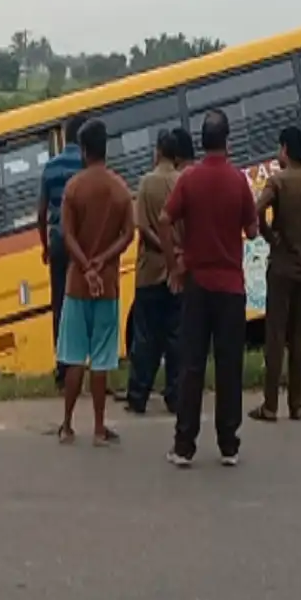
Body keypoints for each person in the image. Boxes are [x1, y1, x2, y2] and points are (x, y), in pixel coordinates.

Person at [160, 109, 258, 468]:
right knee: (229, 366)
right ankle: (228, 445)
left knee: (192, 365)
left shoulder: (189, 180)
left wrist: (174, 264)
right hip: (231, 287)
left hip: (197, 285)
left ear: (202, 142)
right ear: (228, 142)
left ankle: (184, 445)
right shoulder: (238, 181)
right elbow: (252, 231)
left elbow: (163, 219)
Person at [56, 119, 135, 446]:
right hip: (108, 286)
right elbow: (129, 234)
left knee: (74, 357)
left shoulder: (73, 188)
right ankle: (100, 429)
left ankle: (67, 425)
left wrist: (86, 265)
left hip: (77, 284)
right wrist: (102, 262)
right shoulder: (119, 188)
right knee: (101, 358)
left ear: (83, 150)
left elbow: (66, 235)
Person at [249, 126, 301, 423]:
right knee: (298, 339)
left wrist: (270, 236)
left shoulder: (278, 181)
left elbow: (256, 210)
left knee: (274, 337)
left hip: (281, 269)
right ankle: (297, 404)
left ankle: (270, 405)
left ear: (285, 149)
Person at [126, 130, 181, 415]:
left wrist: (163, 248)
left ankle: (138, 396)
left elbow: (145, 229)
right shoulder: (183, 182)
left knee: (145, 337)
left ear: (158, 151)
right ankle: (175, 396)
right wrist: (176, 253)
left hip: (149, 273)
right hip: (179, 273)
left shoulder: (146, 183)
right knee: (175, 337)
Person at [37, 114, 86, 390]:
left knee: (60, 303)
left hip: (57, 241)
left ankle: (62, 367)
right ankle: (84, 363)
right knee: (84, 301)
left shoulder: (50, 167)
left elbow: (41, 213)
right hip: (81, 243)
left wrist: (45, 246)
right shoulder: (85, 166)